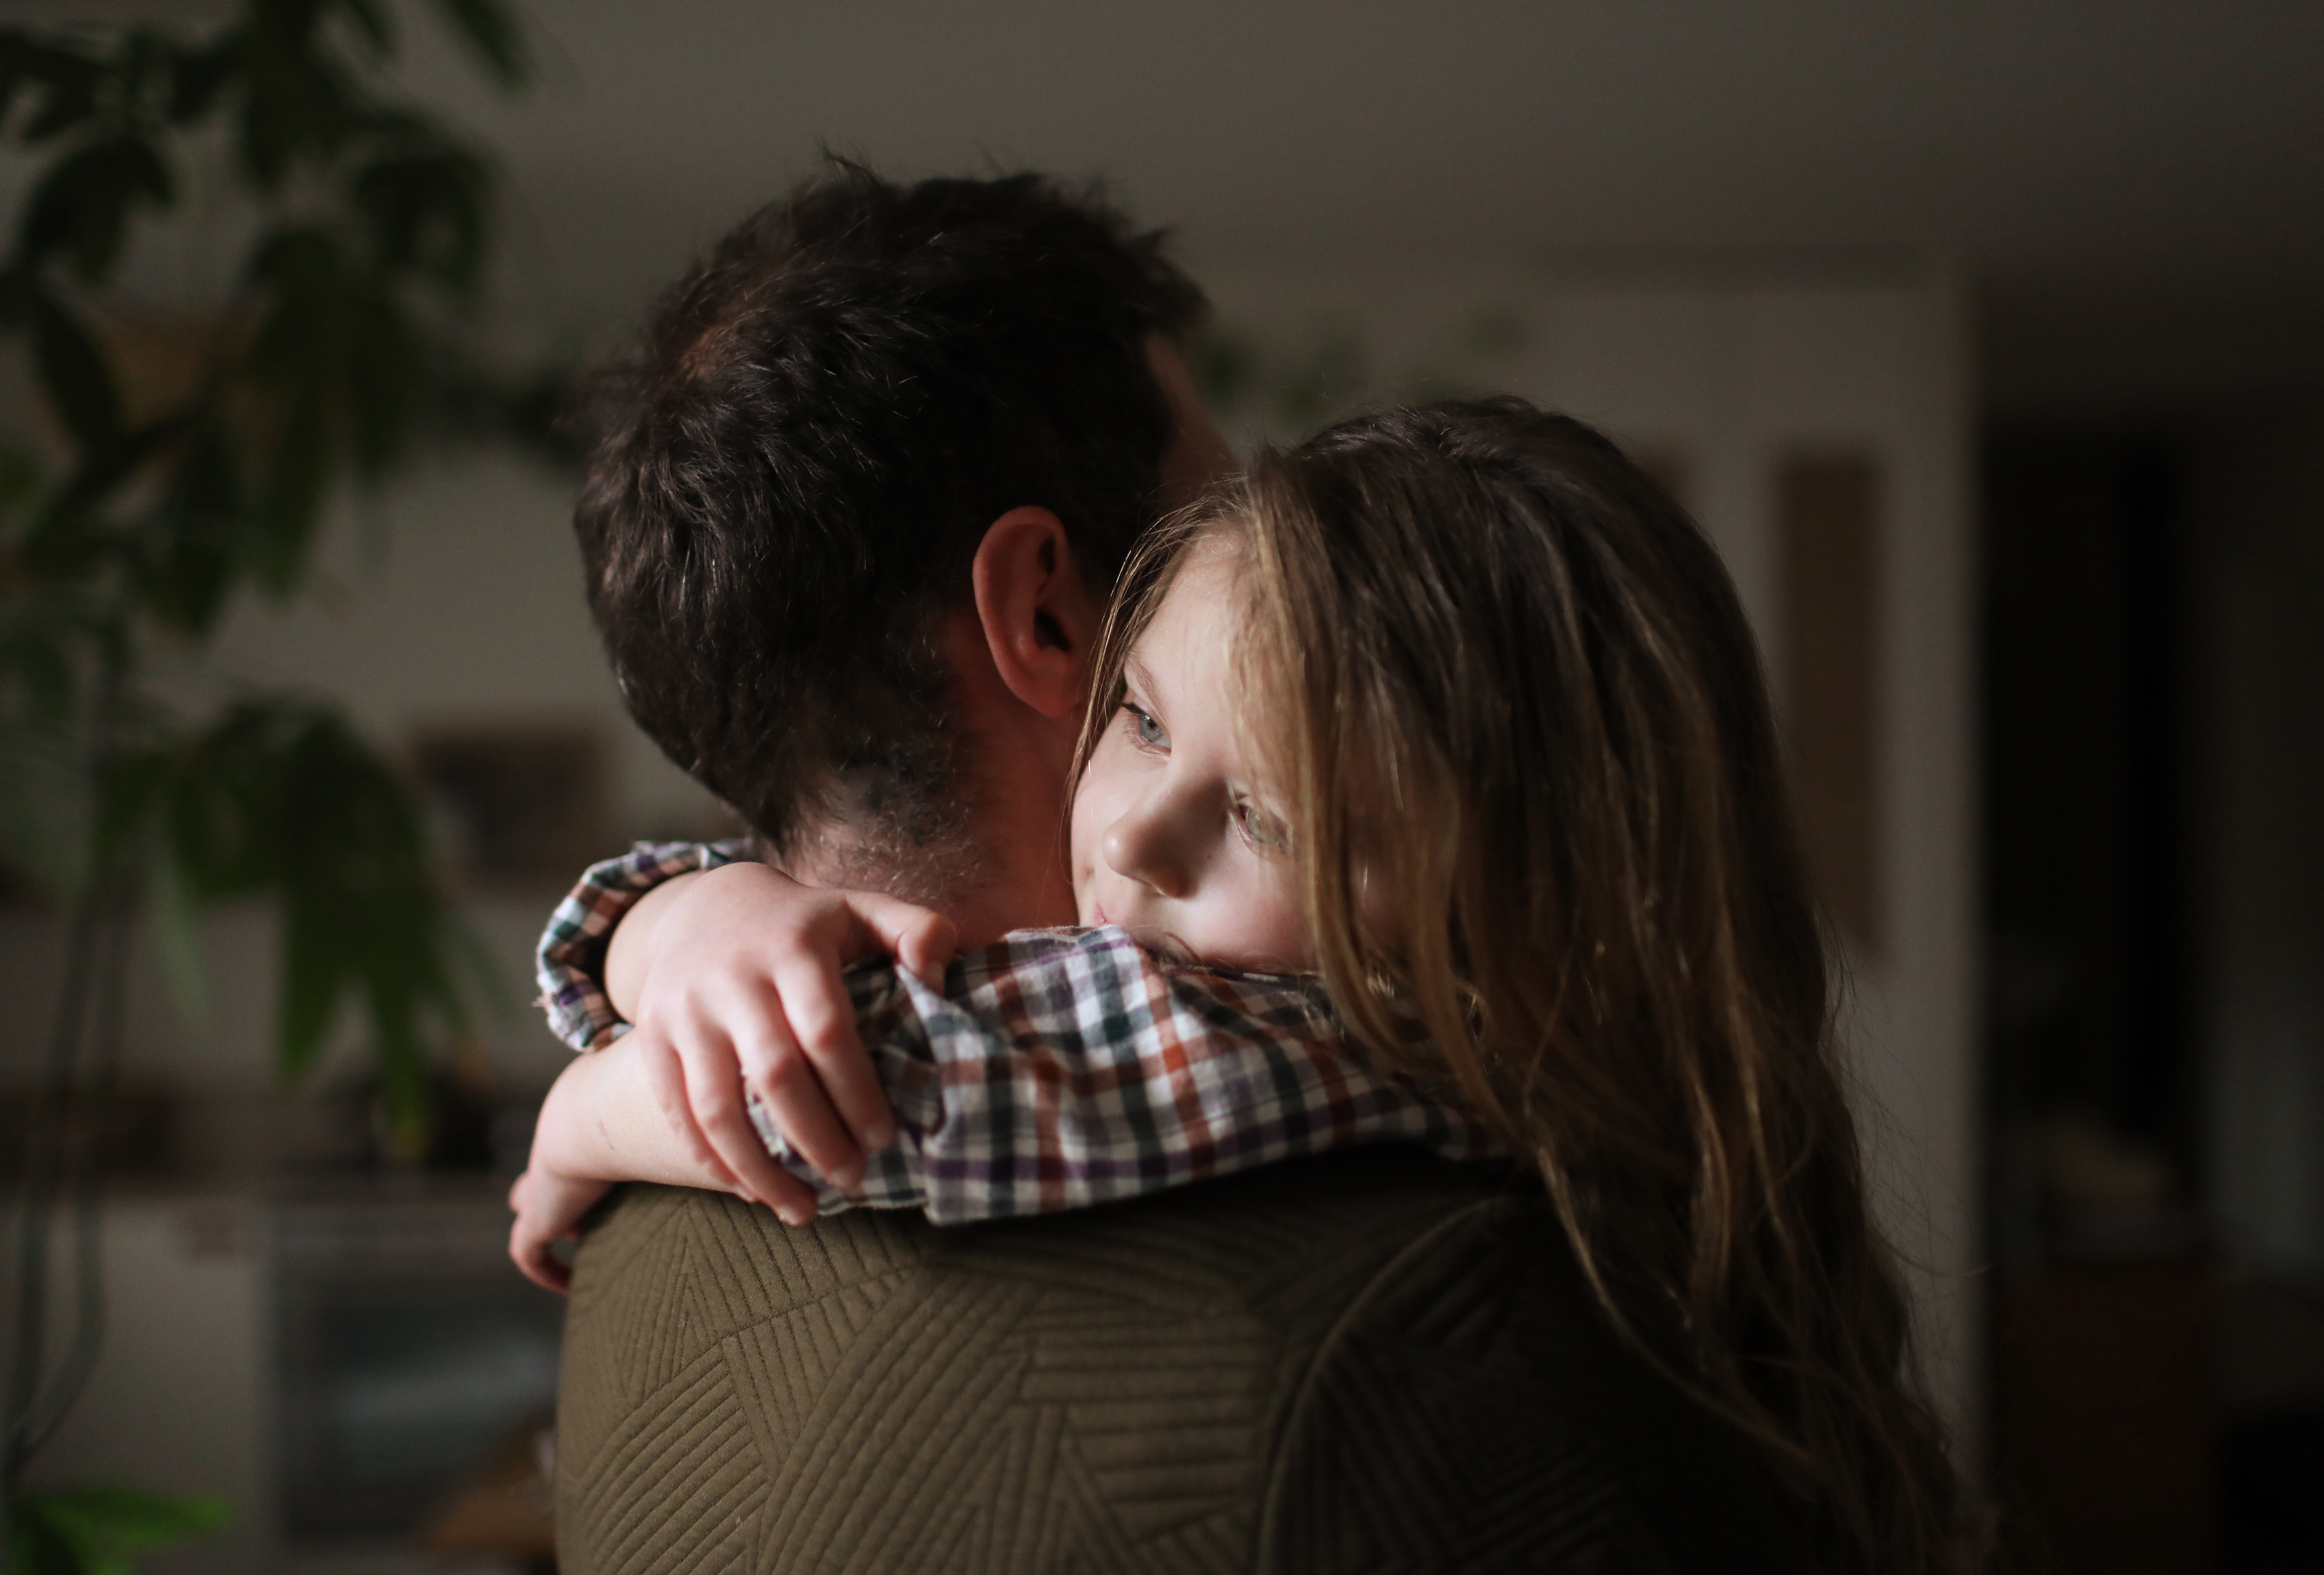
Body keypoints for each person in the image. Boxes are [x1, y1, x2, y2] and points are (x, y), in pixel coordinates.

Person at [518, 398, 1974, 1570]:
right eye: (1141, 716)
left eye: (1276, 819)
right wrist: (687, 912)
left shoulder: (1336, 1044)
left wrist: (593, 1099)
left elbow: (861, 1086)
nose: (1136, 835)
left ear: (1540, 896)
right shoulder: (1548, 1072)